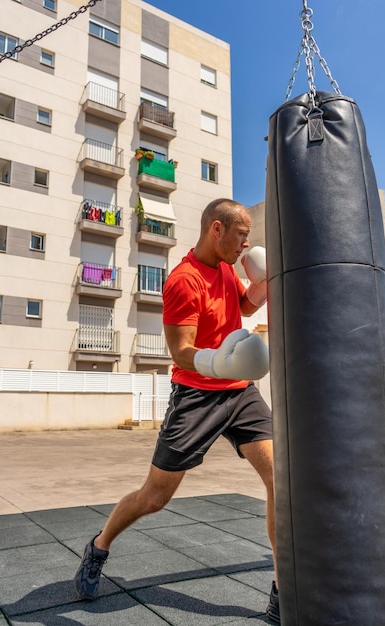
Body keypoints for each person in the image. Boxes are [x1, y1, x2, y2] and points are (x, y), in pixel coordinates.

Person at [74, 198, 280, 623]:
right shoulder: (183, 281)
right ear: (216, 230)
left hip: (240, 392)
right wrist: (219, 360)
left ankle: (282, 585)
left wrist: (263, 284)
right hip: (197, 395)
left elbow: (242, 308)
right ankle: (98, 547)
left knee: (283, 479)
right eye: (241, 234)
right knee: (155, 496)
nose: (247, 242)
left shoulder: (226, 268)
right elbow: (181, 352)